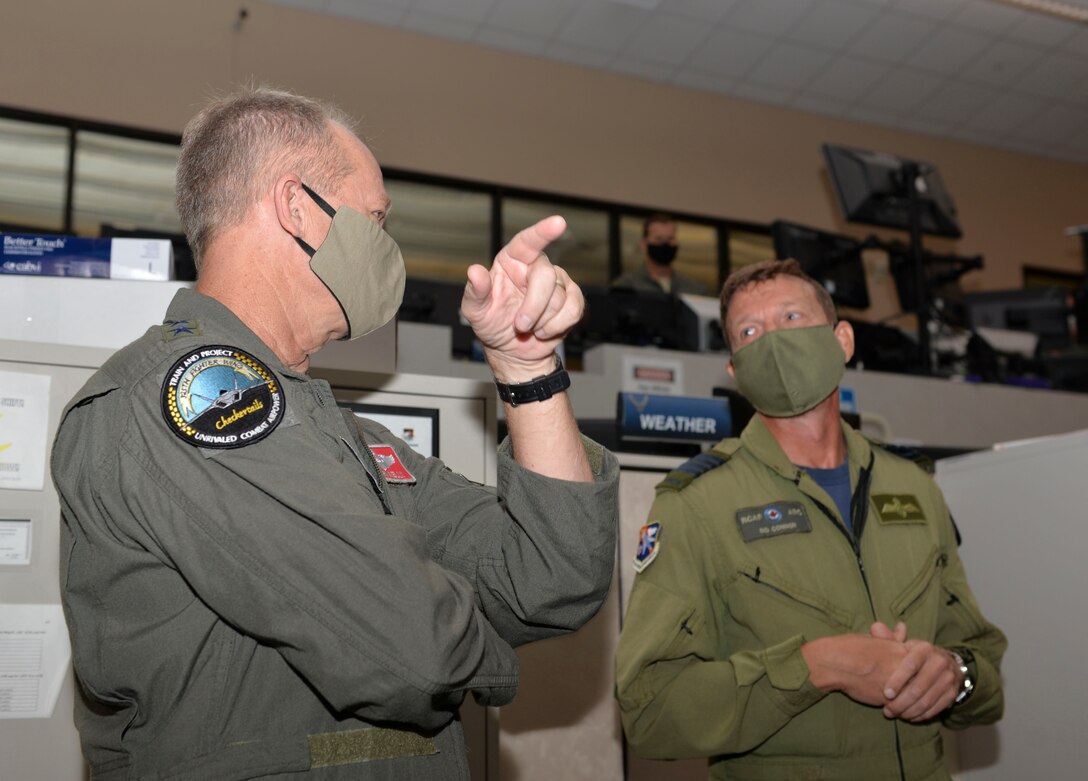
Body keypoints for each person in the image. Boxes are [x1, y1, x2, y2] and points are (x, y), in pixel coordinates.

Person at [51, 87, 619, 780]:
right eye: (375, 220)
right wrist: (468, 625)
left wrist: (528, 368)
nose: (385, 247)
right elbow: (409, 645)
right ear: (296, 207)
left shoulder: (349, 439)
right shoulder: (193, 394)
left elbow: (553, 575)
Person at [615, 259, 1006, 780]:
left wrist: (955, 676)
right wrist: (818, 666)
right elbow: (650, 710)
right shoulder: (696, 503)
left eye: (792, 317)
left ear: (842, 339)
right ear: (735, 370)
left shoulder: (912, 486)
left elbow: (985, 670)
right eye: (749, 333)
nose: (772, 342)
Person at [611, 212, 710, 295]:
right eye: (659, 239)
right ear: (644, 244)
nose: (665, 244)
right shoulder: (625, 287)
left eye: (670, 239)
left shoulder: (694, 290)